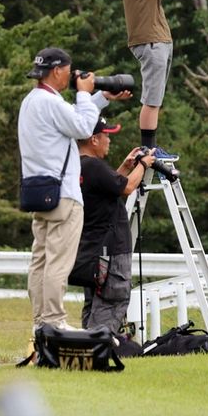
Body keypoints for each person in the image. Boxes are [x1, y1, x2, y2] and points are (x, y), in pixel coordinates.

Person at [18, 47, 127, 331]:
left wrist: (100, 97)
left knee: (40, 261)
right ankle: (54, 321)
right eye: (68, 71)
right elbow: (82, 126)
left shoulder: (32, 101)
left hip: (39, 192)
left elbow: (73, 119)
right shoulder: (51, 102)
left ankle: (40, 321)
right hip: (64, 195)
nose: (71, 76)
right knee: (57, 262)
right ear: (57, 71)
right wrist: (83, 93)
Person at [75, 117, 153, 333]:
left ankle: (83, 348)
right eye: (107, 135)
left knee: (93, 305)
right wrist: (145, 164)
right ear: (94, 139)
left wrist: (125, 167)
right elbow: (127, 188)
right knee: (113, 301)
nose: (109, 139)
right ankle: (96, 348)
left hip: (92, 249)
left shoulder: (77, 165)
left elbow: (110, 187)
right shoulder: (95, 165)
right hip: (112, 250)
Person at [122, 0, 184, 155]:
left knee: (155, 96)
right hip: (150, 39)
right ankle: (148, 150)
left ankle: (150, 148)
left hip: (157, 38)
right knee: (152, 98)